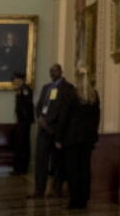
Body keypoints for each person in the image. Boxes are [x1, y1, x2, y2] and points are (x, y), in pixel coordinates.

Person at [31, 63, 75, 199]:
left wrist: (49, 123)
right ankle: (39, 190)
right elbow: (39, 106)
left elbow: (64, 111)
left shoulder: (68, 88)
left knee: (58, 162)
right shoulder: (46, 88)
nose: (52, 73)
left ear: (61, 71)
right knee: (41, 161)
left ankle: (56, 189)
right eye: (50, 70)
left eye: (55, 70)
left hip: (57, 131)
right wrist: (40, 118)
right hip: (43, 130)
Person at [61, 68, 100, 211]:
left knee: (72, 170)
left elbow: (64, 117)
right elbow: (97, 117)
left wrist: (59, 137)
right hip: (87, 138)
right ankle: (83, 200)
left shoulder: (71, 94)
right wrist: (94, 135)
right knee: (85, 169)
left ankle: (74, 201)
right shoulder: (93, 95)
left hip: (72, 138)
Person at [11, 71, 34, 175]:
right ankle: (18, 168)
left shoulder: (25, 90)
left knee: (23, 144)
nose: (14, 83)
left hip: (25, 121)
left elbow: (27, 106)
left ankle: (22, 169)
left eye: (16, 81)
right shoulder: (20, 90)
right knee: (19, 144)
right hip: (21, 121)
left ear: (21, 80)